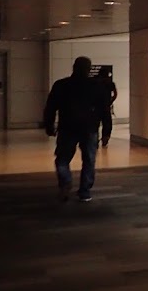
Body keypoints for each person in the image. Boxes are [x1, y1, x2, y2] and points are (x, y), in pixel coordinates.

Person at [43, 56, 111, 203]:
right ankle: (84, 191)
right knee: (89, 160)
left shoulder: (61, 85)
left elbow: (50, 107)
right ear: (89, 69)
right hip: (89, 128)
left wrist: (49, 125)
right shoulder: (97, 86)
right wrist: (106, 131)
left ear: (74, 67)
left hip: (67, 127)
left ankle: (65, 183)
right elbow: (105, 110)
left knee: (62, 159)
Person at [96, 70, 118, 148]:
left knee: (95, 124)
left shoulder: (95, 83)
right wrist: (110, 101)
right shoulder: (110, 83)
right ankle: (105, 140)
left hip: (96, 107)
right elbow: (115, 94)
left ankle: (95, 139)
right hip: (106, 107)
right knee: (107, 124)